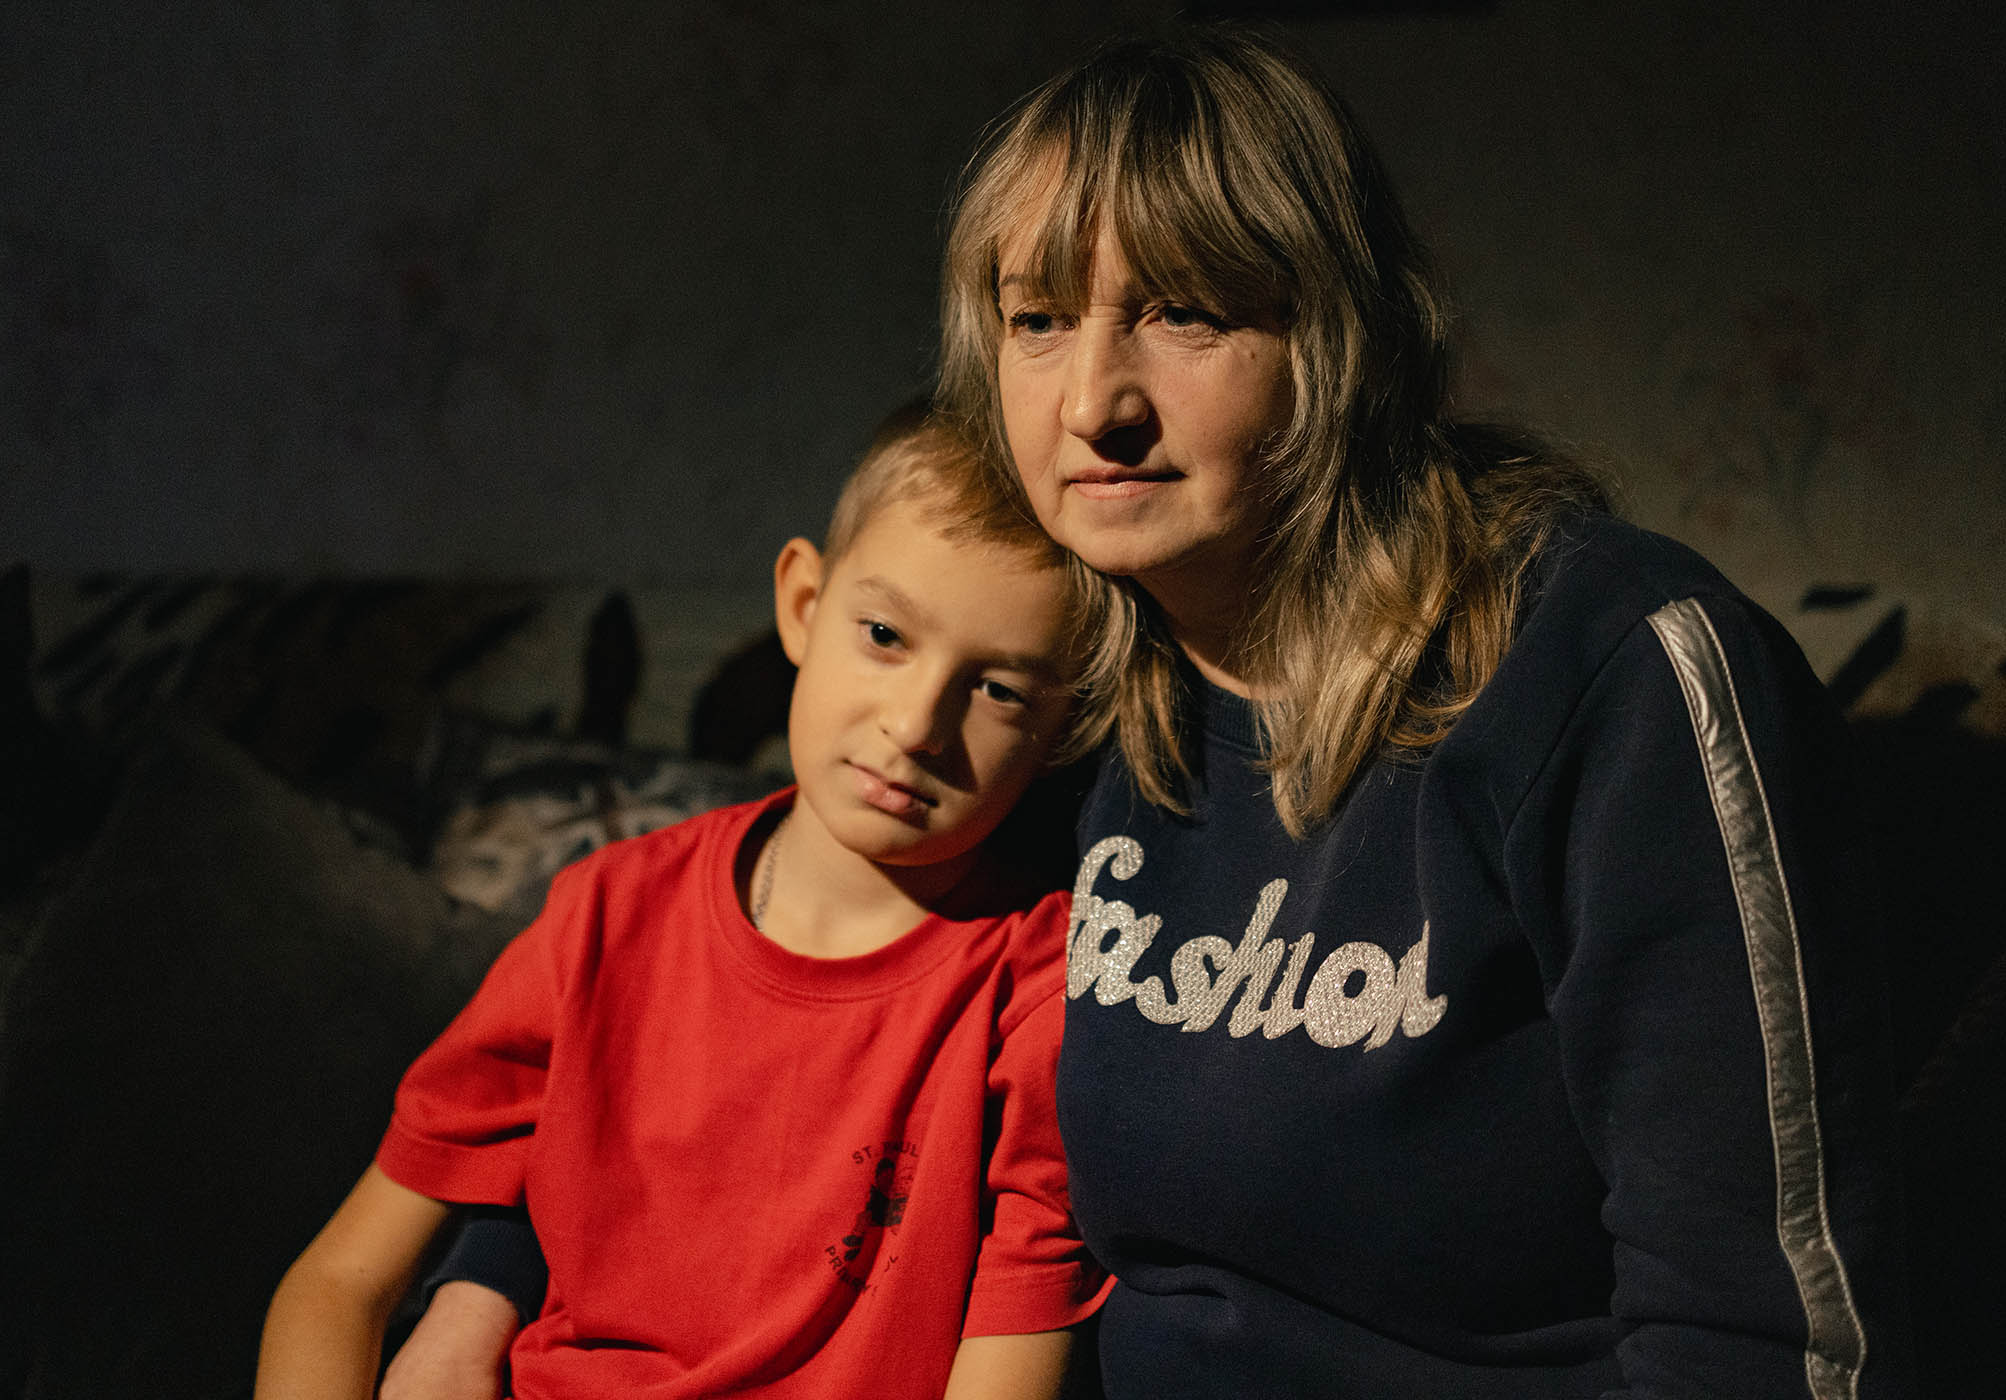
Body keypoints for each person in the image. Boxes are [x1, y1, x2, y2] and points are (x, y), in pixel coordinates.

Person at [400, 23, 1913, 1399]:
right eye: (1038, 319)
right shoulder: (1051, 681)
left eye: (1187, 313)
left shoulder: (1609, 673)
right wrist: (490, 1281)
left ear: (1339, 336)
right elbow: (759, 1039)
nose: (1094, 405)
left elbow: (1763, 1329)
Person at [253, 408, 1112, 1400]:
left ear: (1065, 728)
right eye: (884, 635)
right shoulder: (603, 917)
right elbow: (339, 1284)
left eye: (999, 690)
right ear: (802, 604)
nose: (917, 724)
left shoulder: (1040, 998)